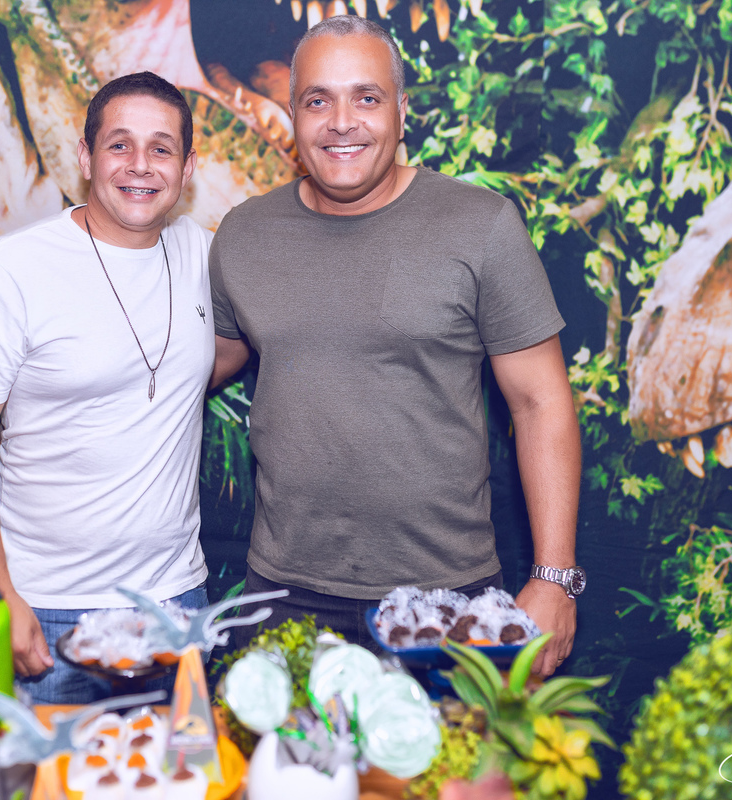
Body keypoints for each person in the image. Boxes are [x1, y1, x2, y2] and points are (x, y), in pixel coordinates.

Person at [209, 16, 581, 677]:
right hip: (285, 594)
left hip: (448, 599)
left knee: (453, 753)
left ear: (402, 110)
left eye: (366, 97)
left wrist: (554, 577)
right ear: (292, 114)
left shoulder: (482, 224)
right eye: (317, 100)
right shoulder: (244, 234)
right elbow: (202, 366)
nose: (341, 122)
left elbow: (540, 403)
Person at [0, 71, 214, 702]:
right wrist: (0, 589)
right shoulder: (12, 270)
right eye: (119, 145)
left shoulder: (202, 255)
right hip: (46, 608)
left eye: (161, 148)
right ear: (86, 158)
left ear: (188, 166)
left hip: (176, 603)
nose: (140, 165)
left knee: (180, 764)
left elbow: (220, 353)